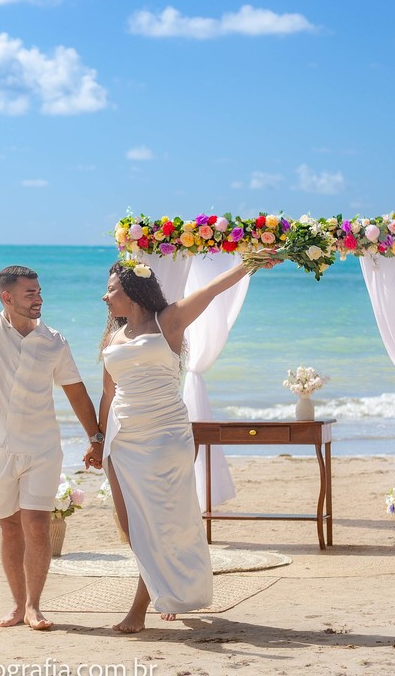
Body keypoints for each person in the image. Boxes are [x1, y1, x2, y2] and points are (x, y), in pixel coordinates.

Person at [99, 256, 277, 633]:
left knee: (164, 522)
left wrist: (252, 263)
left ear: (133, 291)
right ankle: (166, 588)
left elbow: (212, 290)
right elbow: (107, 392)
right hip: (122, 439)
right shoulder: (113, 334)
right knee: (132, 526)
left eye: (111, 289)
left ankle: (141, 607)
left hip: (165, 436)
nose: (105, 296)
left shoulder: (168, 321)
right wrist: (98, 438)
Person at [0, 213, 102, 631]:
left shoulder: (54, 341)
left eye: (40, 291)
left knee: (36, 525)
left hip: (42, 448)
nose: (39, 298)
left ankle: (34, 606)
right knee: (10, 529)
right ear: (7, 297)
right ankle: (17, 605)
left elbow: (76, 392)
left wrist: (96, 437)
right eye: (30, 293)